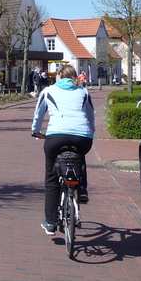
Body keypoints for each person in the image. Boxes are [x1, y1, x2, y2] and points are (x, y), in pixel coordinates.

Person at [31, 64, 95, 236]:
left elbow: (38, 115)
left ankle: (50, 222)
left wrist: (35, 131)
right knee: (79, 157)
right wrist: (90, 132)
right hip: (82, 137)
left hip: (55, 137)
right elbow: (90, 116)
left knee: (52, 178)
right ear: (74, 77)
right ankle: (81, 190)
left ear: (59, 75)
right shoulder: (83, 92)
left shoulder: (48, 91)